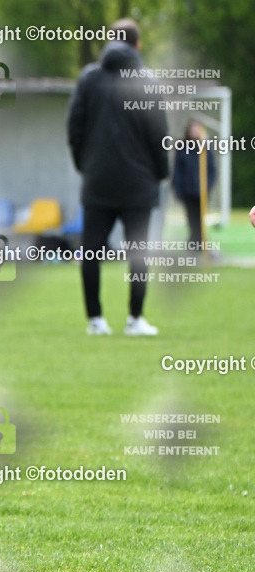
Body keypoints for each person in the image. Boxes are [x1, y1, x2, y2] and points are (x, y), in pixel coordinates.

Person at [67, 17, 168, 336]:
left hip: (98, 182)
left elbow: (74, 128)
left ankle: (95, 320)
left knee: (91, 252)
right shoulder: (147, 81)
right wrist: (160, 173)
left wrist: (85, 166)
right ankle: (135, 319)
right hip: (139, 185)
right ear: (137, 45)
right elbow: (158, 135)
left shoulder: (89, 79)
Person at [172, 120, 217, 250]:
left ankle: (199, 242)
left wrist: (207, 186)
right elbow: (177, 171)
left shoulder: (205, 148)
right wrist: (178, 189)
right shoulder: (182, 148)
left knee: (200, 218)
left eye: (197, 130)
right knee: (192, 219)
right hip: (188, 191)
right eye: (192, 130)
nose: (195, 132)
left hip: (202, 191)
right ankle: (195, 242)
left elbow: (212, 170)